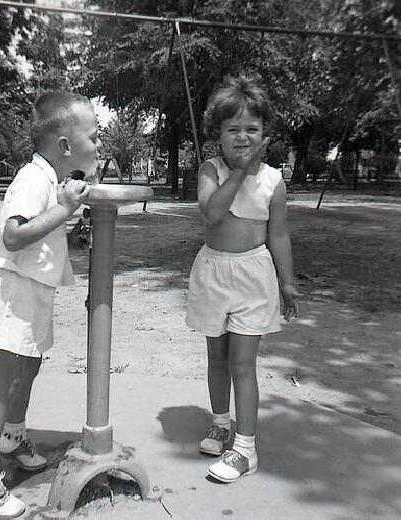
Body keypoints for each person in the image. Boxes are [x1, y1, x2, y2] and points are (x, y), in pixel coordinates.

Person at [0, 91, 100, 519]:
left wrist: (69, 219)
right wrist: (64, 210)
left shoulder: (51, 181)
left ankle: (12, 436)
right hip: (12, 291)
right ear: (64, 146)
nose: (98, 145)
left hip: (33, 291)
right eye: (93, 136)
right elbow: (14, 236)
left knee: (30, 365)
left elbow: (46, 233)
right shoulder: (31, 179)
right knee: (3, 380)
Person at [185, 76, 299, 483]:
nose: (242, 137)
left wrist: (287, 282)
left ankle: (246, 448)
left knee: (242, 362)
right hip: (213, 272)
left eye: (252, 129)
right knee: (216, 356)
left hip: (253, 275)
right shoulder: (210, 170)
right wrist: (239, 173)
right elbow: (212, 214)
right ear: (218, 134)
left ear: (265, 135)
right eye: (233, 129)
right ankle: (220, 423)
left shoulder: (273, 181)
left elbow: (279, 234)